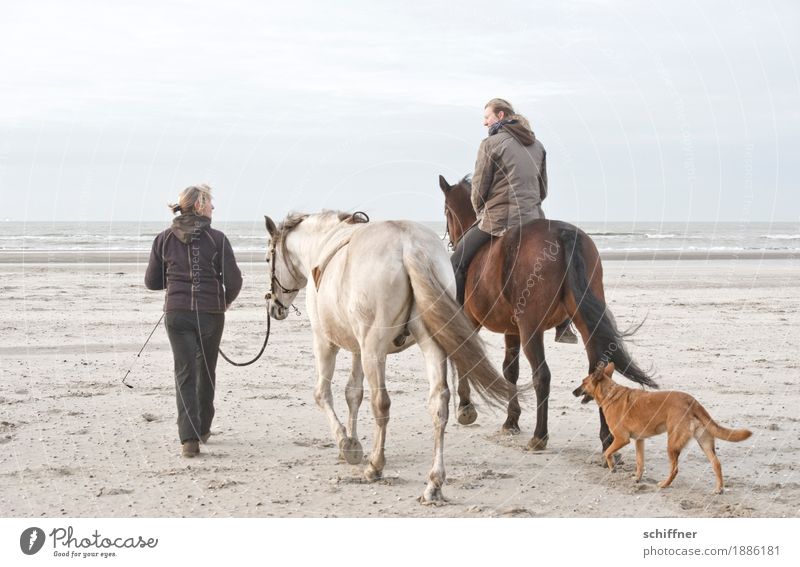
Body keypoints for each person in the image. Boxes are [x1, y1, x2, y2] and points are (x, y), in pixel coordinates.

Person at [451, 98, 577, 343]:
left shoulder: (490, 144)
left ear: (500, 116)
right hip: (533, 219)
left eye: (486, 116)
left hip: (499, 220)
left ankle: (455, 319)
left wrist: (480, 212)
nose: (483, 122)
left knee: (456, 261)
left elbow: (478, 188)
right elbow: (543, 189)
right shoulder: (537, 145)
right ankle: (564, 324)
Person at [145, 184, 243, 457]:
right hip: (210, 313)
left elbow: (152, 281)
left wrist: (176, 280)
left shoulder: (164, 239)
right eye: (211, 203)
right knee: (205, 370)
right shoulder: (217, 239)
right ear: (200, 205)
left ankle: (189, 438)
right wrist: (226, 299)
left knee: (185, 373)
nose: (213, 207)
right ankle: (200, 430)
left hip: (177, 314)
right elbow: (234, 280)